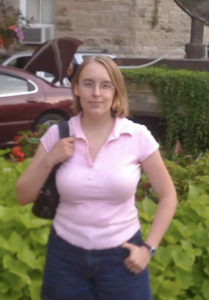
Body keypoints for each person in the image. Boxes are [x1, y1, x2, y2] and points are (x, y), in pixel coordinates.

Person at [16, 56, 177, 300]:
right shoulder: (57, 134)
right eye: (88, 84)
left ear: (116, 91)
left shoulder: (137, 136)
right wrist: (50, 160)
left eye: (105, 85)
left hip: (122, 259)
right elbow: (22, 196)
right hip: (65, 260)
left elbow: (168, 196)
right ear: (77, 88)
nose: (96, 93)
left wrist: (148, 248)